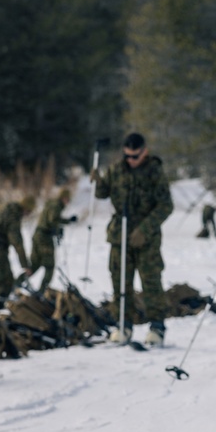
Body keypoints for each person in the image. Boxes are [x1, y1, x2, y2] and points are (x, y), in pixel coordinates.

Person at [92, 132, 173, 346]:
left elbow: (166, 205)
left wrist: (145, 229)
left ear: (144, 152)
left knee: (151, 281)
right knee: (120, 281)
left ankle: (156, 326)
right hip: (120, 234)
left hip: (147, 236)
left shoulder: (155, 170)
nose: (130, 160)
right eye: (127, 156)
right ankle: (123, 324)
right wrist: (98, 181)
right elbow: (102, 194)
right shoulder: (117, 169)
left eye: (135, 156)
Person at [29, 188, 77, 291]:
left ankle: (16, 285)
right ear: (64, 198)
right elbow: (53, 221)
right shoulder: (56, 206)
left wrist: (67, 221)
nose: (68, 202)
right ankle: (42, 292)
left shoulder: (52, 204)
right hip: (44, 237)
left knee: (34, 265)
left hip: (38, 235)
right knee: (49, 266)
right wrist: (60, 230)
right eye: (68, 199)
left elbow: (52, 219)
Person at [0, 196, 36, 306]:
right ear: (26, 209)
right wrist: (25, 265)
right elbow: (17, 243)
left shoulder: (6, 207)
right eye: (29, 211)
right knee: (5, 281)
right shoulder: (13, 216)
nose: (28, 215)